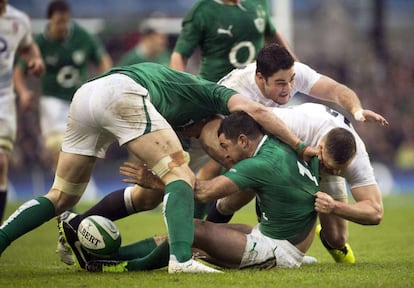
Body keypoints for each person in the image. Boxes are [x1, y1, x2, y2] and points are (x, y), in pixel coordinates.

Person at [56, 44, 387, 264]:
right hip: (206, 131)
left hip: (251, 141)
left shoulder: (320, 131)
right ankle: (90, 227)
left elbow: (335, 91)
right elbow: (217, 165)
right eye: (280, 84)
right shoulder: (252, 103)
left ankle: (193, 238)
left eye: (291, 82)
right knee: (164, 195)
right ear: (259, 78)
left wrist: (356, 109)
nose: (288, 90)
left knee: (334, 234)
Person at [0, 62, 313, 274]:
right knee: (180, 175)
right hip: (122, 91)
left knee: (61, 196)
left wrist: (158, 187)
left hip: (87, 95)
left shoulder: (182, 113)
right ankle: (181, 260)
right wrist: (299, 146)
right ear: (217, 125)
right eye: (223, 150)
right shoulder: (214, 95)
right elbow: (256, 110)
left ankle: (11, 237)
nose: (223, 159)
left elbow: (161, 197)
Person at [80, 111, 357, 272]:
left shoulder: (260, 163)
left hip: (278, 250)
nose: (223, 153)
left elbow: (202, 192)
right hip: (276, 237)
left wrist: (155, 181)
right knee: (181, 234)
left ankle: (129, 269)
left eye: (225, 146)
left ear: (243, 140)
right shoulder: (278, 145)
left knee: (193, 230)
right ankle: (103, 258)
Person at [13, 0, 113, 169]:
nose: (63, 26)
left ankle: (66, 184)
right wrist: (23, 92)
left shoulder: (82, 36)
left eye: (66, 21)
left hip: (79, 98)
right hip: (52, 100)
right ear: (49, 20)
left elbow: (104, 61)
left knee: (79, 150)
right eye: (59, 22)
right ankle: (62, 186)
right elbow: (19, 71)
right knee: (57, 146)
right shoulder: (39, 43)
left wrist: (104, 85)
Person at [170, 0, 297, 82]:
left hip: (256, 87)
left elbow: (271, 33)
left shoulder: (259, 2)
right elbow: (179, 55)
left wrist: (295, 64)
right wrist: (180, 89)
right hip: (217, 90)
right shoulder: (202, 11)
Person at [0, 0, 45, 223]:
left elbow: (28, 48)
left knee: (0, 163)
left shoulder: (18, 20)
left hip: (3, 99)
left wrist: (34, 60)